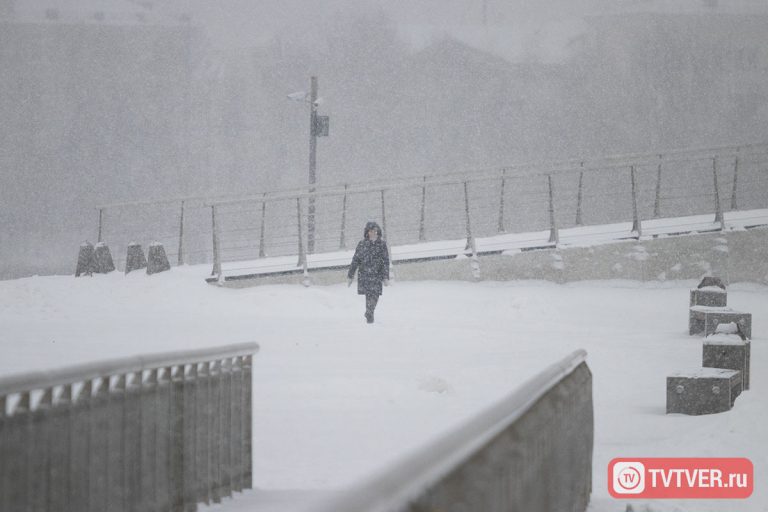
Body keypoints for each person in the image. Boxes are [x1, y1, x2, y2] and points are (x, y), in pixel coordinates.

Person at [347, 221, 390, 323]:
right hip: (365, 274)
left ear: (377, 232)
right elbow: (355, 260)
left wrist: (385, 276)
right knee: (368, 295)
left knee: (375, 295)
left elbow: (385, 261)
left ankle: (369, 312)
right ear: (367, 232)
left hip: (377, 275)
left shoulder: (382, 245)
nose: (373, 233)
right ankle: (370, 315)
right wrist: (350, 275)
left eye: (375, 231)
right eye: (371, 231)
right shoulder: (362, 244)